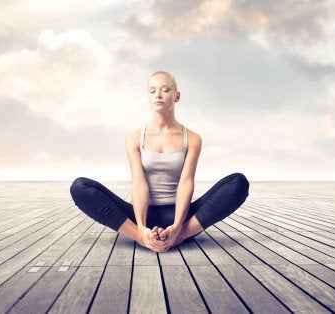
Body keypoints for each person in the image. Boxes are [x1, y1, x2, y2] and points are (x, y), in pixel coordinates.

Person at [70, 71, 249, 252]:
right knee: (80, 187)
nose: (158, 94)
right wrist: (141, 227)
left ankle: (179, 236)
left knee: (238, 183)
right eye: (152, 90)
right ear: (148, 97)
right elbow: (139, 183)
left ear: (176, 96)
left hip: (182, 214)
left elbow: (186, 183)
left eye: (165, 90)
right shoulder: (134, 138)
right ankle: (141, 238)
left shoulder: (193, 139)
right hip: (142, 214)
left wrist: (177, 226)